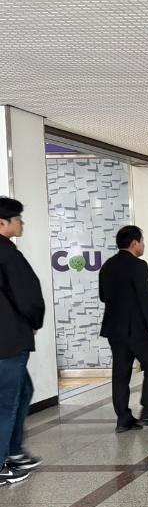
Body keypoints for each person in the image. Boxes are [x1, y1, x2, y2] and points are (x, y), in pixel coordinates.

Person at [99, 225, 148, 432]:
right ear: (134, 243)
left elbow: (103, 296)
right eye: (142, 241)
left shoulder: (107, 265)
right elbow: (145, 297)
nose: (144, 245)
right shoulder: (138, 265)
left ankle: (123, 419)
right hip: (137, 328)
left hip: (114, 328)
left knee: (120, 372)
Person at [0, 197, 45, 484]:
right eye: (17, 218)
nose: (21, 223)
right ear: (2, 223)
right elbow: (27, 295)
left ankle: (14, 451)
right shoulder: (7, 253)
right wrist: (34, 321)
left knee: (23, 391)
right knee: (7, 402)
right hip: (8, 341)